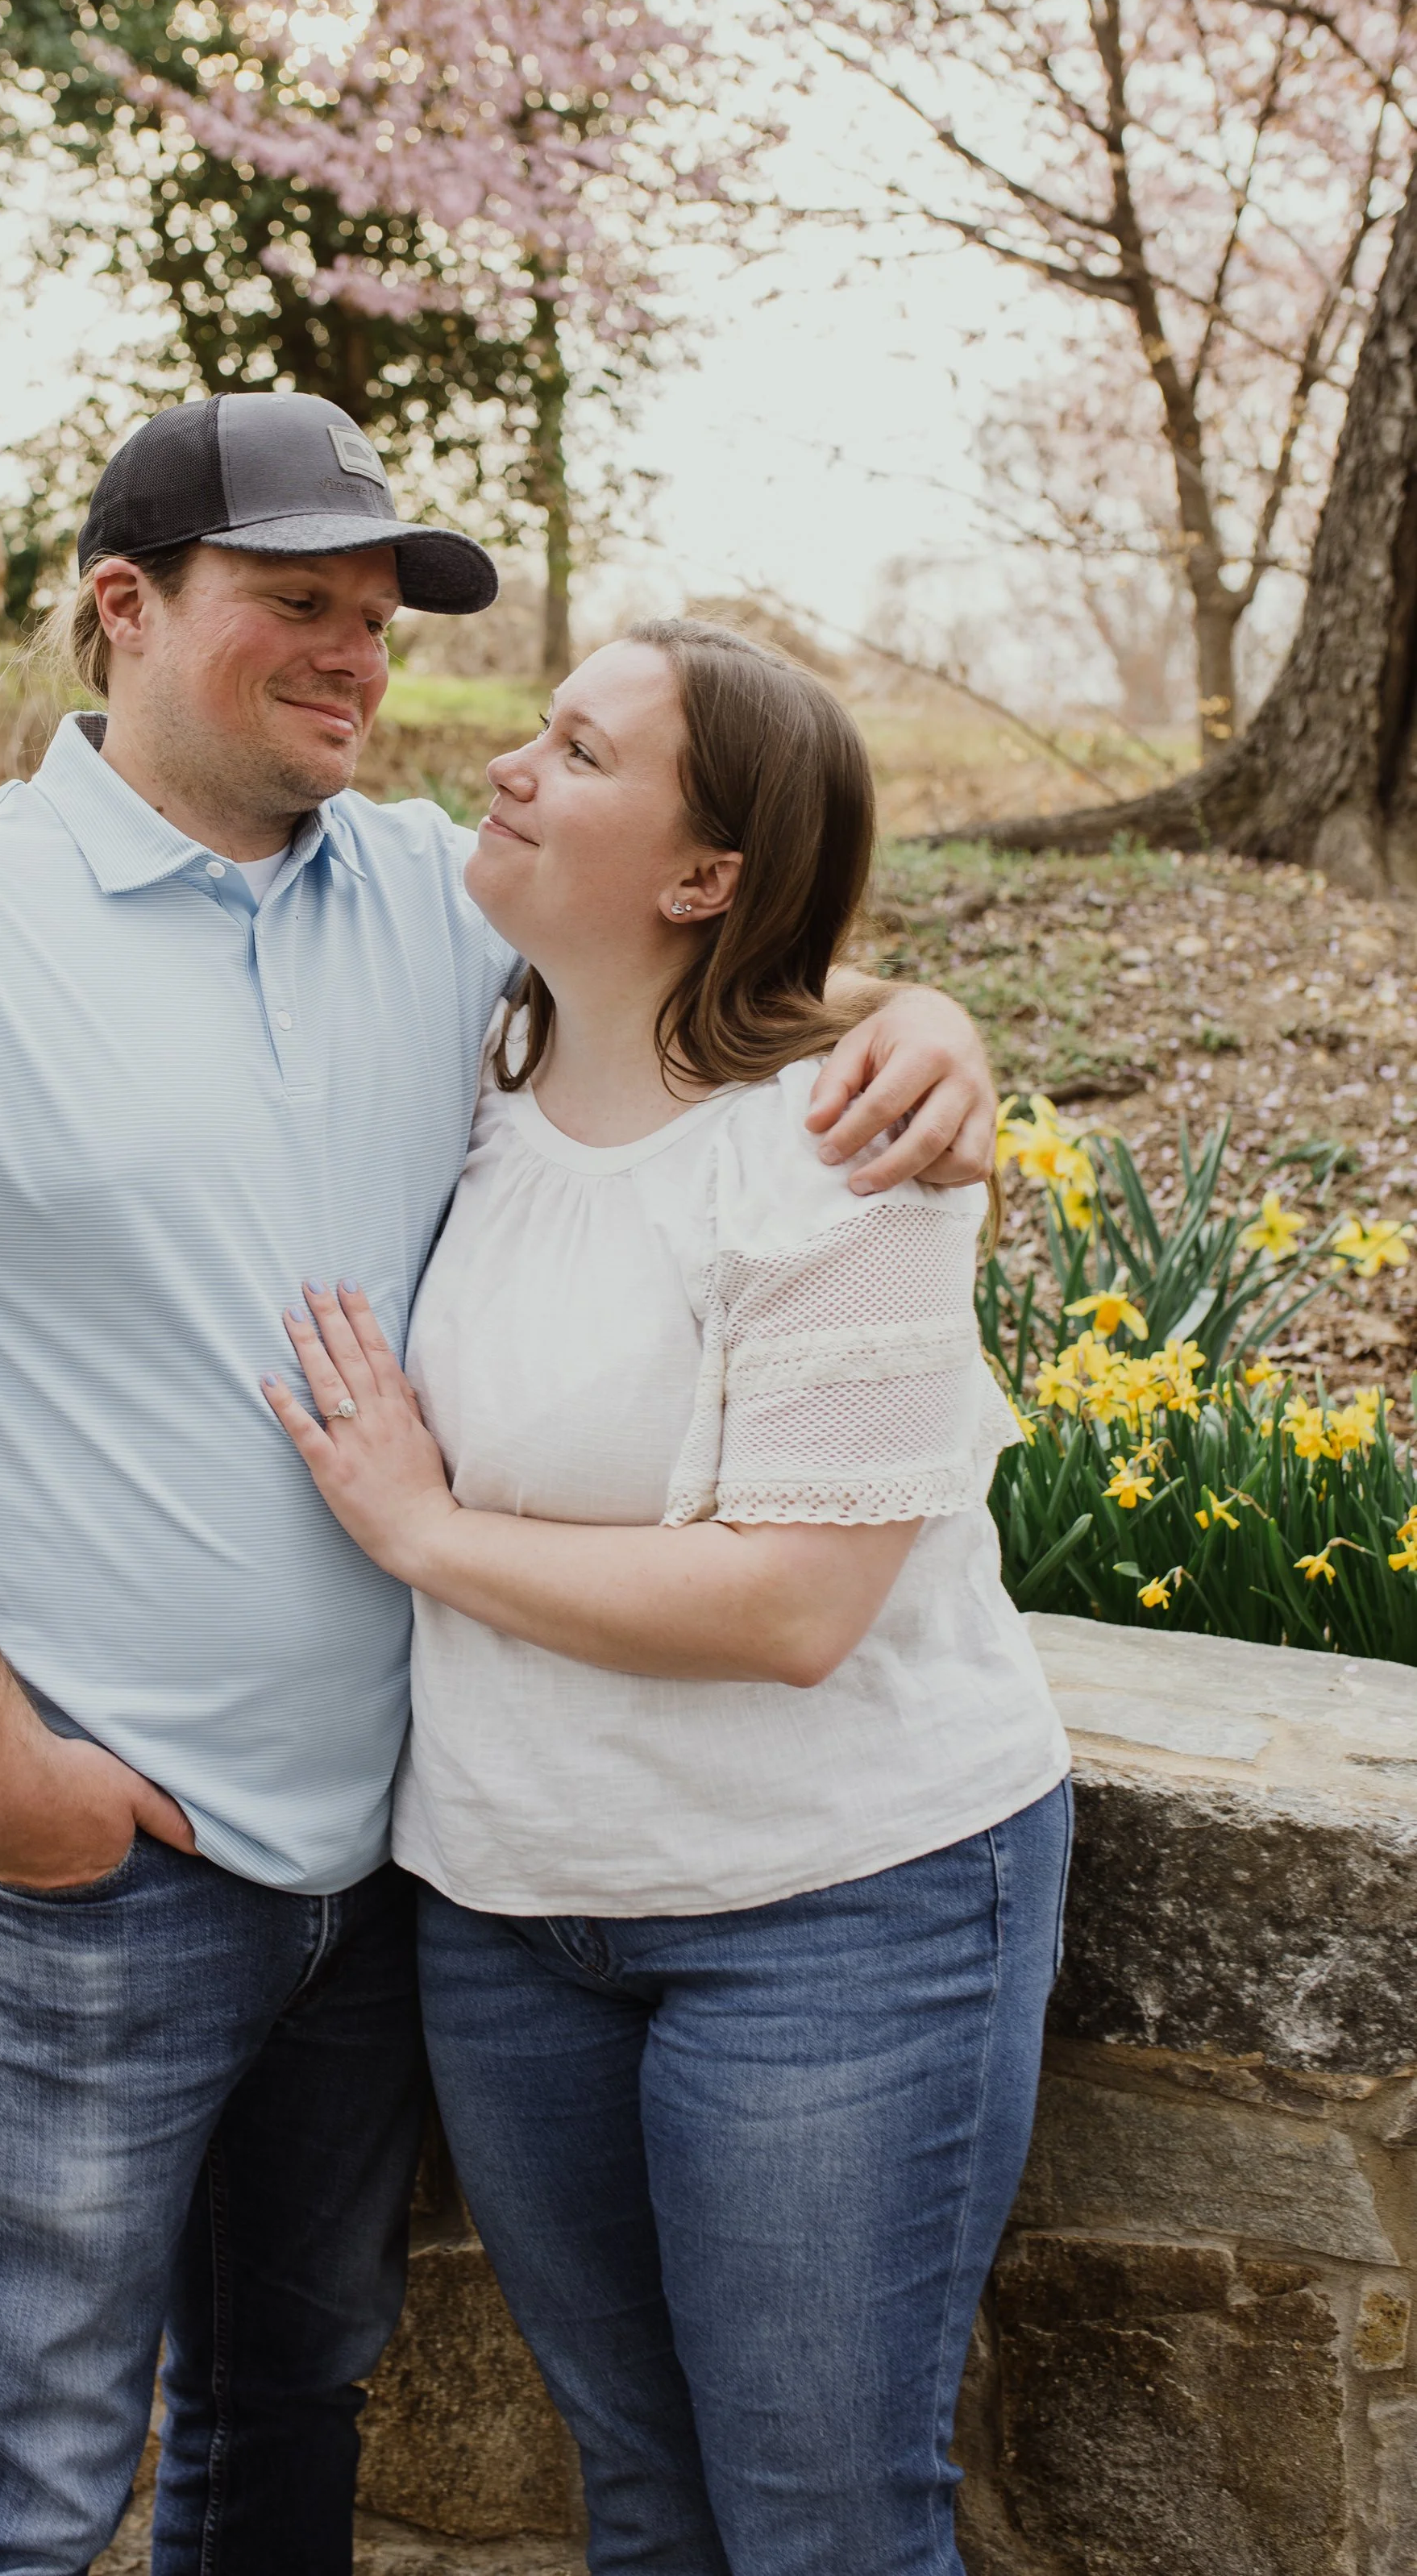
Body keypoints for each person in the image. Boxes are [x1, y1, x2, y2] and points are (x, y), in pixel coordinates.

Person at [0, 393, 1001, 2576]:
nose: (355, 664)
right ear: (123, 605)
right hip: (89, 1866)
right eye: (294, 606)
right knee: (17, 2477)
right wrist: (10, 1776)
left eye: (374, 621)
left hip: (388, 1876)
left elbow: (713, 973)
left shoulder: (426, 887)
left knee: (286, 2407)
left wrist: (928, 1014)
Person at [264, 617, 1070, 2576]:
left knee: (820, 2524)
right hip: (509, 1909)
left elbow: (793, 1608)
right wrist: (915, 994)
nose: (509, 767)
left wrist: (424, 1531)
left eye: (579, 752)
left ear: (704, 874)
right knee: (637, 2497)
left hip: (836, 1915)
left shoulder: (839, 1160)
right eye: (535, 731)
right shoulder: (486, 1052)